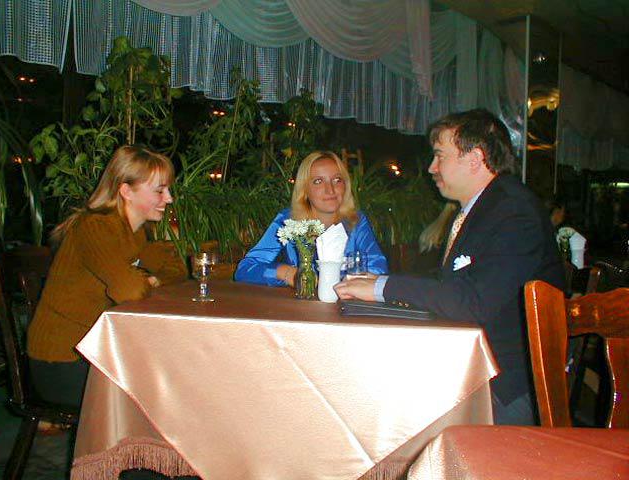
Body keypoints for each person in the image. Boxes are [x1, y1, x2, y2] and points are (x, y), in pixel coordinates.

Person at [335, 109, 565, 425]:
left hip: (507, 387)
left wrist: (382, 287)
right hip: (473, 365)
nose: (432, 167)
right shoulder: (485, 207)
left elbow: (473, 302)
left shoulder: (514, 212)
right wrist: (382, 286)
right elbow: (453, 286)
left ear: (475, 159)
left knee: (384, 408)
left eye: (440, 156)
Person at [27, 145, 187, 409]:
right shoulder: (95, 227)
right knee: (166, 389)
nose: (169, 199)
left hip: (95, 354)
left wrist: (151, 279)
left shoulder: (135, 233)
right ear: (126, 191)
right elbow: (128, 290)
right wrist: (142, 277)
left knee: (173, 375)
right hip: (62, 362)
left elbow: (177, 268)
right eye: (159, 191)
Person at [235, 151, 388, 286]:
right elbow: (246, 269)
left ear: (346, 185)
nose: (330, 190)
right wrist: (290, 274)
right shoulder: (288, 220)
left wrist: (335, 281)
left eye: (337, 180)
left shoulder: (356, 220)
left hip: (346, 305)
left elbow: (378, 268)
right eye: (318, 181)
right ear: (305, 190)